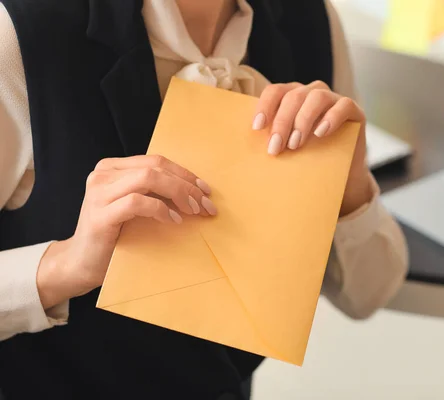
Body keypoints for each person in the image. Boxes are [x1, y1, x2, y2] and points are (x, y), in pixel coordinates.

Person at [0, 0, 409, 399]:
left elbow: (367, 295)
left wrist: (350, 184)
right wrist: (64, 265)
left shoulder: (312, 21)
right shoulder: (20, 34)